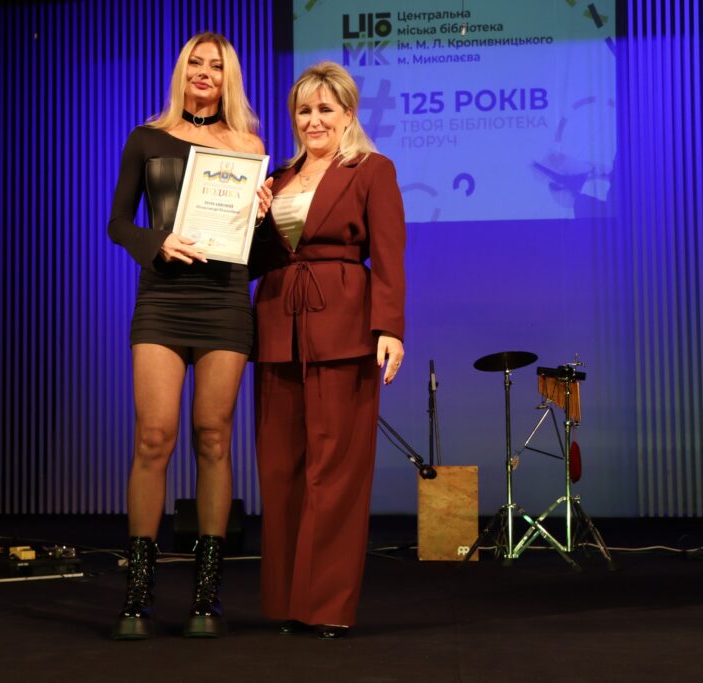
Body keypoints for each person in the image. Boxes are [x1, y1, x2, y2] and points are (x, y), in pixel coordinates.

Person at [107, 32, 273, 640]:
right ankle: (138, 593)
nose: (204, 72)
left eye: (216, 66)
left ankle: (207, 595)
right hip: (162, 298)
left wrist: (261, 218)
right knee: (154, 437)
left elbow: (253, 256)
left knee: (213, 437)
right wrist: (158, 242)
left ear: (229, 79)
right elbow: (118, 223)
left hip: (224, 301)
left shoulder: (249, 146)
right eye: (195, 63)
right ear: (181, 72)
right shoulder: (146, 138)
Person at [250, 61, 406, 639]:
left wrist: (389, 328)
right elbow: (256, 262)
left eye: (325, 109)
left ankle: (327, 605)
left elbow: (389, 254)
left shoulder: (372, 170)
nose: (313, 120)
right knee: (281, 470)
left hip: (344, 326)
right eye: (304, 110)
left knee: (335, 471)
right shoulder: (277, 178)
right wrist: (255, 221)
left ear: (347, 114)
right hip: (277, 327)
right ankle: (288, 602)